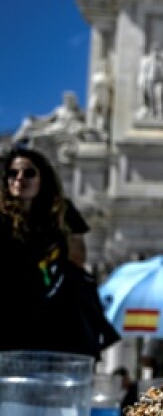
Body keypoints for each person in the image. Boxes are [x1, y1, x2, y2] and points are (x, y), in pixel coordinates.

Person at [0, 147, 116, 355]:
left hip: (54, 312)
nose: (19, 179)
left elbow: (78, 259)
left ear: (42, 178)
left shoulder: (62, 211)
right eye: (13, 173)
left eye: (29, 173)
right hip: (9, 310)